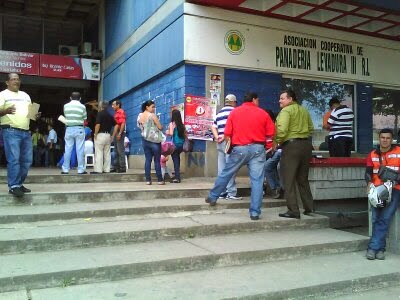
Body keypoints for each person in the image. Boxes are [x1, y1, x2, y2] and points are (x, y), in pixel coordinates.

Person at [205, 92, 275, 220]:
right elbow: (271, 133)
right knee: (257, 181)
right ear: (254, 100)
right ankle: (254, 212)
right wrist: (267, 147)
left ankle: (213, 196)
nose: (258, 102)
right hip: (258, 149)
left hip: (239, 148)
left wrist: (231, 147)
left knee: (226, 173)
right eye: (258, 100)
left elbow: (227, 133)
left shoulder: (235, 113)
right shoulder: (263, 113)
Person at [274, 89, 314, 219]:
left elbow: (282, 130)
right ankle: (309, 208)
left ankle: (293, 210)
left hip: (291, 147)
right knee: (303, 179)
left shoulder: (286, 111)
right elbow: (311, 129)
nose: (279, 101)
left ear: (290, 99)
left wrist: (277, 141)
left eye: (282, 98)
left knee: (288, 180)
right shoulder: (304, 110)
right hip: (306, 146)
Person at [0, 73, 39, 197]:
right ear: (7, 82)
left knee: (27, 160)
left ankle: (19, 183)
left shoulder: (25, 95)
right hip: (10, 131)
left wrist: (35, 116)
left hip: (26, 132)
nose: (16, 81)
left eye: (17, 79)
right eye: (13, 79)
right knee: (14, 159)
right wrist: (5, 111)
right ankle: (14, 186)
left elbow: (31, 114)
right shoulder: (2, 94)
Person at [365, 128, 400, 260]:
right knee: (375, 219)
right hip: (377, 189)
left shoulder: (399, 152)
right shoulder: (372, 154)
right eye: (382, 137)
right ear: (379, 139)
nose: (385, 140)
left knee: (384, 218)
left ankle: (372, 248)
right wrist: (368, 182)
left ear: (392, 140)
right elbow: (368, 172)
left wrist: (394, 177)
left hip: (395, 189)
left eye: (388, 138)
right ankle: (380, 249)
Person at [211, 94, 241, 200]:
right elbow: (235, 128)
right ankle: (231, 192)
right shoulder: (234, 112)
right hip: (229, 142)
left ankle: (221, 191)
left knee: (222, 169)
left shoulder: (219, 113)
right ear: (233, 102)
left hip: (219, 142)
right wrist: (225, 136)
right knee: (230, 168)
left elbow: (213, 126)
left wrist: (217, 137)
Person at [137, 100, 164, 185]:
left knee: (148, 160)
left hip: (145, 140)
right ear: (147, 107)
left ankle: (148, 180)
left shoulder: (140, 116)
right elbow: (160, 127)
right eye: (152, 107)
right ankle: (160, 180)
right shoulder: (152, 116)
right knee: (157, 160)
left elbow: (139, 127)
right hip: (154, 140)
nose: (154, 108)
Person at [62, 91, 87, 175]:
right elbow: (85, 118)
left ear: (70, 98)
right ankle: (80, 169)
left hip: (69, 129)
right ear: (80, 98)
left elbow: (66, 116)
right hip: (79, 128)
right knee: (80, 149)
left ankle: (65, 169)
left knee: (67, 149)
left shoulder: (66, 106)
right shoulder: (82, 106)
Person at [92, 100, 117, 174]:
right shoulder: (110, 115)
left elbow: (98, 124)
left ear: (101, 106)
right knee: (107, 153)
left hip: (100, 135)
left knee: (99, 152)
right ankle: (107, 169)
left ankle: (98, 170)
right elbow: (116, 125)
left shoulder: (100, 114)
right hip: (108, 135)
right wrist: (113, 135)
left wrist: (95, 134)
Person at [264, 109, 282, 199]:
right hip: (268, 152)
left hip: (277, 151)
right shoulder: (263, 127)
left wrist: (268, 151)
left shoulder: (276, 126)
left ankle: (278, 188)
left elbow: (278, 143)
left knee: (270, 166)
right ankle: (274, 188)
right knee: (267, 166)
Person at [166, 109, 186, 183]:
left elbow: (171, 133)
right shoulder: (182, 124)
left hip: (174, 144)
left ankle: (177, 178)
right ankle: (177, 176)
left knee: (175, 160)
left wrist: (167, 132)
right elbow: (184, 135)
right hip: (181, 145)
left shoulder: (172, 124)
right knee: (177, 159)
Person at [112, 100, 127, 173]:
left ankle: (122, 167)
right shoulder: (116, 113)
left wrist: (120, 133)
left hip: (119, 133)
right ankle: (116, 166)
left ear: (118, 105)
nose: (112, 106)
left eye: (114, 105)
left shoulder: (121, 112)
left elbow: (123, 123)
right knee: (116, 150)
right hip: (117, 132)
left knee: (120, 150)